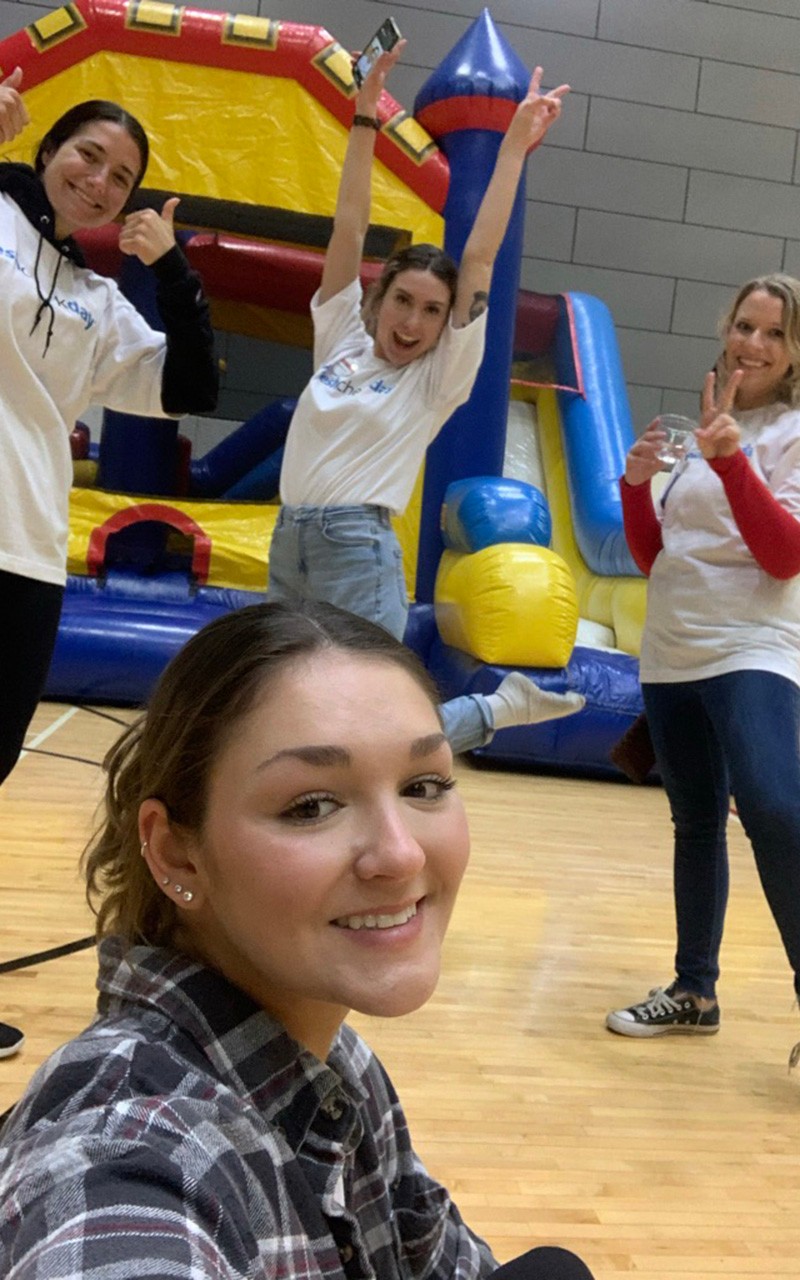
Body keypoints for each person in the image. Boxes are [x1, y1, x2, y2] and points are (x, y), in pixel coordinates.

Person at [0, 600, 596, 1280]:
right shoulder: (122, 1157)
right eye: (311, 806)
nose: (399, 856)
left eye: (423, 785)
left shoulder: (340, 1071)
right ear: (175, 854)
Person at [266, 45, 583, 755]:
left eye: (431, 312)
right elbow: (348, 226)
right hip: (291, 539)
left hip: (358, 547)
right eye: (402, 301)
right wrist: (361, 115)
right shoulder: (342, 336)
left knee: (380, 721)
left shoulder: (436, 377)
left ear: (447, 325)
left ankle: (494, 710)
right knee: (287, 700)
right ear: (377, 300)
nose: (411, 323)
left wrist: (514, 152)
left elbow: (478, 259)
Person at [0, 71, 218, 1056]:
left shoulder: (97, 303)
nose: (98, 179)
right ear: (49, 151)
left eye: (120, 175)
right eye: (86, 154)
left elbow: (193, 383)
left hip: (29, 549)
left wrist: (170, 270)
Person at [605, 274, 800, 1067]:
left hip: (751, 645)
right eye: (744, 325)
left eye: (773, 334)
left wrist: (730, 465)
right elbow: (657, 557)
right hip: (673, 651)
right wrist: (634, 484)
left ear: (794, 355)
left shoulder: (789, 433)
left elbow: (785, 555)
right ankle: (695, 991)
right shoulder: (704, 433)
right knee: (695, 822)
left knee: (777, 809)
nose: (751, 344)